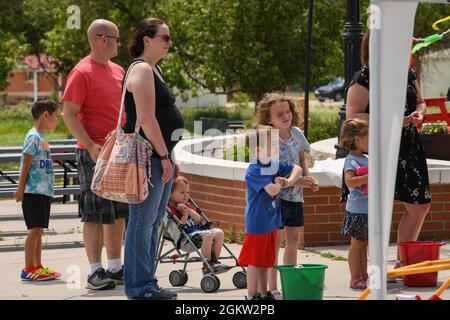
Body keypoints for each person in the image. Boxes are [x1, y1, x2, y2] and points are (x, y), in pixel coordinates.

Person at [346, 30, 431, 274]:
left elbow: (420, 101)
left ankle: (402, 262)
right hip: (378, 148)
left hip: (409, 147)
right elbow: (353, 116)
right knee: (378, 210)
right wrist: (394, 120)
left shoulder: (407, 72)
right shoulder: (365, 78)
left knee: (419, 205)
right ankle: (378, 269)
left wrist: (419, 113)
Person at [122, 18, 184, 300]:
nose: (169, 43)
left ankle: (147, 282)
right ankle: (139, 288)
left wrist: (169, 155)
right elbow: (146, 119)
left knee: (152, 222)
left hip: (160, 157)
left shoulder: (154, 70)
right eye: (165, 37)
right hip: (148, 158)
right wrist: (163, 154)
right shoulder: (142, 69)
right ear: (147, 39)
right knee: (141, 222)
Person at [63, 19, 127, 290]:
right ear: (103, 39)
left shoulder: (119, 70)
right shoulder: (81, 71)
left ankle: (114, 267)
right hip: (94, 153)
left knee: (118, 212)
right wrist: (89, 144)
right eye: (117, 39)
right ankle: (94, 271)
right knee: (94, 213)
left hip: (120, 153)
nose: (119, 44)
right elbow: (69, 115)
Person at [255, 93, 319, 299]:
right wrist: (300, 180)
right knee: (275, 242)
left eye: (288, 111)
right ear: (269, 119)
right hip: (276, 199)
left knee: (293, 238)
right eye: (279, 114)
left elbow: (301, 159)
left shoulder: (297, 134)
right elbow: (274, 174)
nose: (285, 116)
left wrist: (308, 178)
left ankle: (288, 282)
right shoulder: (269, 140)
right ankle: (272, 287)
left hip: (296, 197)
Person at [238, 125, 302, 300]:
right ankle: (252, 295)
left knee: (265, 260)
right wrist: (281, 183)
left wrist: (287, 180)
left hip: (271, 222)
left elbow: (297, 168)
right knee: (254, 261)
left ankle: (264, 293)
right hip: (257, 224)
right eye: (272, 145)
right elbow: (272, 190)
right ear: (258, 150)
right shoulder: (254, 169)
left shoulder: (274, 164)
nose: (276, 148)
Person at [15, 99, 61, 281]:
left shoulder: (41, 137)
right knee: (34, 229)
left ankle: (37, 266)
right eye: (56, 116)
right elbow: (25, 165)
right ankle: (28, 268)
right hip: (32, 191)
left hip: (43, 192)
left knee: (39, 229)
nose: (57, 121)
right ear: (45, 115)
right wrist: (20, 190)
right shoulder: (33, 137)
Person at [168, 176, 230, 274]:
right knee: (208, 236)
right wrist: (184, 215)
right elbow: (180, 228)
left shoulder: (187, 204)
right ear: (171, 194)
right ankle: (207, 267)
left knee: (219, 233)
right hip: (185, 239)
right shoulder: (171, 208)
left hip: (197, 233)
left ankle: (213, 262)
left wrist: (188, 210)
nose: (186, 195)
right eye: (182, 192)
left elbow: (198, 219)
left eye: (187, 192)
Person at [340, 119, 369, 290]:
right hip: (357, 209)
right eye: (368, 138)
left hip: (367, 209)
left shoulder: (365, 158)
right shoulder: (351, 160)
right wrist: (370, 175)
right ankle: (355, 277)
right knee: (356, 244)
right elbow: (349, 182)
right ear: (357, 139)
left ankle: (363, 275)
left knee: (363, 244)